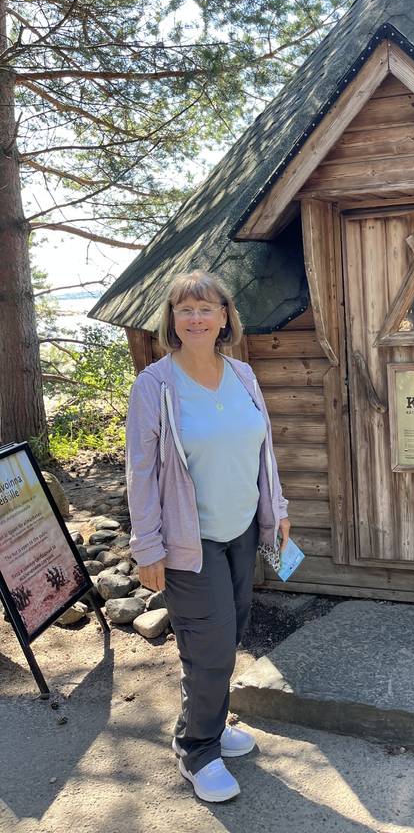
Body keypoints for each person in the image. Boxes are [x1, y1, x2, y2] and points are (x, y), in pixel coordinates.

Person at [125, 269, 291, 803]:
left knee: (231, 629)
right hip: (187, 542)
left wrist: (278, 510)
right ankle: (197, 748)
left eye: (206, 308)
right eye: (185, 309)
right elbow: (141, 471)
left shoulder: (242, 374)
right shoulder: (154, 385)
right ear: (172, 320)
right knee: (210, 645)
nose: (196, 317)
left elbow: (262, 448)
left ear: (225, 317)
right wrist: (147, 546)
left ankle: (213, 725)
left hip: (242, 530)